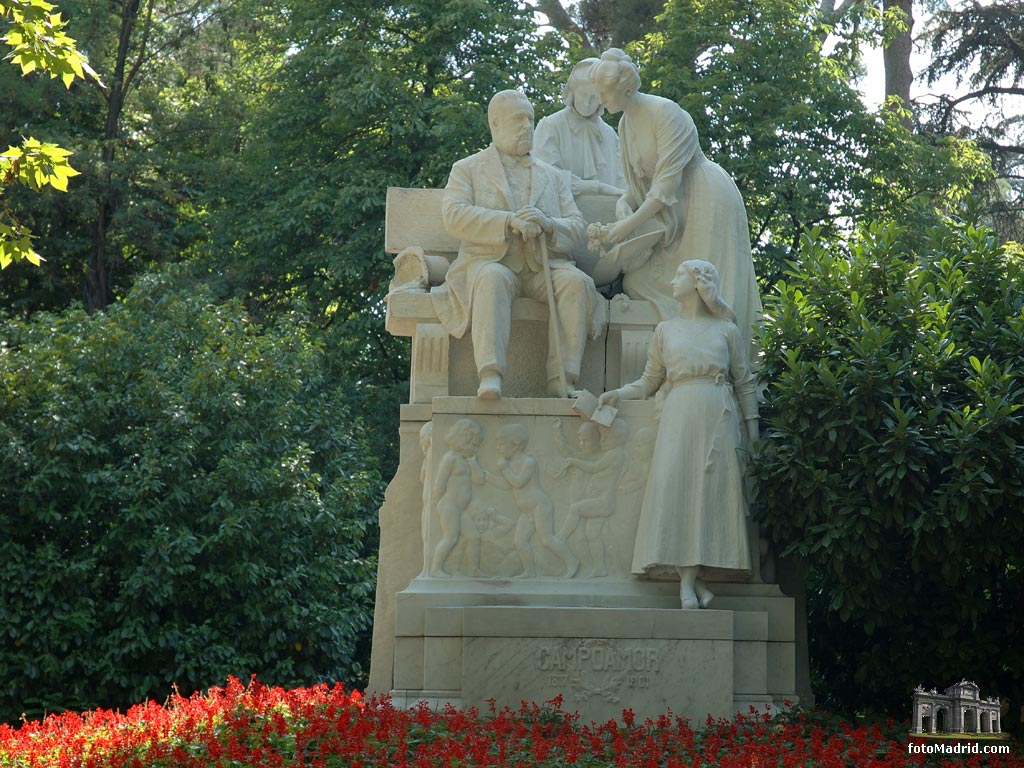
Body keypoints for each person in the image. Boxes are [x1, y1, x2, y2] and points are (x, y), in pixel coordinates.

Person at [599, 260, 758, 609]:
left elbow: (745, 384)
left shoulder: (725, 330)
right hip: (679, 411)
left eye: (679, 274)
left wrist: (754, 432)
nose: (672, 280)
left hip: (717, 412)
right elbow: (648, 381)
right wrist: (618, 393)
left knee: (708, 494)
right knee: (677, 491)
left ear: (699, 282)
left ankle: (687, 583)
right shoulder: (665, 330)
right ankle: (693, 581)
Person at [588, 48, 762, 353]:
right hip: (671, 211)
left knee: (704, 287)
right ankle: (679, 355)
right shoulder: (625, 124)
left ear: (625, 87)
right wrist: (622, 206)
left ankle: (713, 359)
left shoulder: (665, 113)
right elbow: (639, 185)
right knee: (637, 282)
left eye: (605, 91)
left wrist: (626, 227)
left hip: (704, 201)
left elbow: (664, 186)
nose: (600, 99)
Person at [432, 90, 603, 399]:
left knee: (576, 283)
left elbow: (577, 227)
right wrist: (509, 221)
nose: (527, 126)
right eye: (518, 119)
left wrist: (549, 225)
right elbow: (454, 215)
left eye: (530, 119)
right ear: (495, 125)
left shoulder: (553, 177)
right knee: (492, 279)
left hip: (544, 266)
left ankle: (563, 380)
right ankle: (490, 374)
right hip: (492, 262)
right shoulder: (468, 169)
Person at [534, 58, 625, 195]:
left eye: (594, 97)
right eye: (583, 95)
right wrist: (596, 188)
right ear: (572, 91)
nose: (587, 103)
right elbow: (546, 176)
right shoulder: (550, 126)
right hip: (562, 213)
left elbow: (622, 180)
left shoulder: (610, 134)